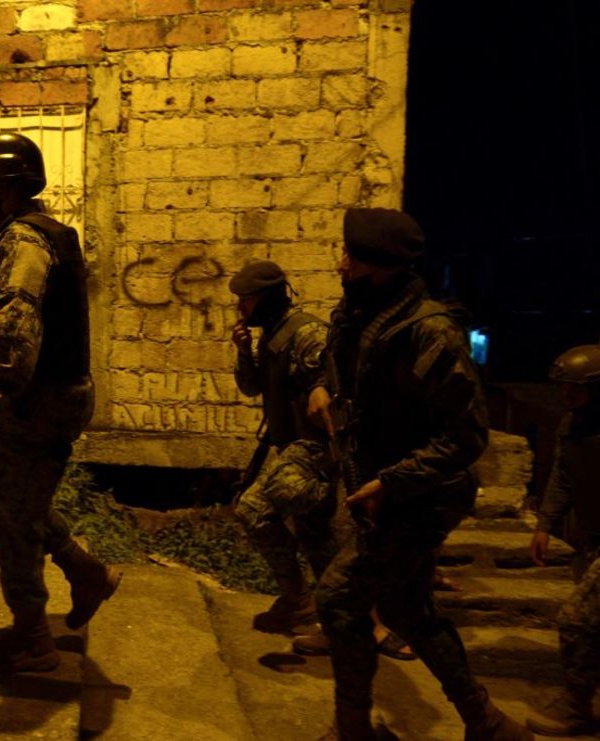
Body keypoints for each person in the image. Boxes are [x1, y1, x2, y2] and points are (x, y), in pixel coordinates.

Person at [308, 208, 531, 740]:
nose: (340, 265)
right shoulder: (362, 310)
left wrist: (393, 482)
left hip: (423, 495)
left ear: (380, 267)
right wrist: (321, 386)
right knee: (407, 609)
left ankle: (358, 729)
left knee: (342, 598)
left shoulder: (429, 332)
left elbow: (466, 438)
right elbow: (339, 364)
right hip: (382, 489)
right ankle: (487, 723)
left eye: (351, 256)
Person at [0, 132, 120, 673]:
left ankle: (35, 639)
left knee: (12, 520)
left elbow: (14, 330)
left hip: (44, 399)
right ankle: (86, 572)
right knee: (14, 500)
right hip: (53, 395)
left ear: (4, 189)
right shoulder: (43, 233)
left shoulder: (24, 241)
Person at [229, 260, 334, 633]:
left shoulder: (305, 332)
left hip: (313, 450)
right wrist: (243, 351)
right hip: (290, 445)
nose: (241, 307)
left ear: (269, 298)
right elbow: (252, 387)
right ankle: (334, 613)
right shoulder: (272, 334)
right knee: (316, 538)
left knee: (253, 509)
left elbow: (329, 382)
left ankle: (298, 600)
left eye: (247, 299)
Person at [525, 344, 600, 737]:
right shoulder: (573, 425)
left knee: (577, 620)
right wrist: (545, 525)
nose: (566, 397)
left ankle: (576, 707)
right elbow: (563, 476)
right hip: (592, 539)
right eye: (564, 389)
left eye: (576, 389)